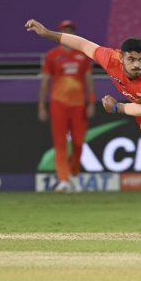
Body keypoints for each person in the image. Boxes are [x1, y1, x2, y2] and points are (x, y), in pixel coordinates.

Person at [25, 18, 141, 234]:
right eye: (131, 59)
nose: (136, 65)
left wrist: (117, 108)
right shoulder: (110, 59)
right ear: (121, 57)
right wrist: (48, 34)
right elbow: (84, 45)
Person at [38, 19, 95, 192]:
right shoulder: (52, 55)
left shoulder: (82, 55)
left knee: (78, 142)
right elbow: (45, 82)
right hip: (58, 104)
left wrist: (91, 102)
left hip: (78, 105)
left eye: (70, 30)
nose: (68, 32)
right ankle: (63, 179)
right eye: (65, 30)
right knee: (60, 142)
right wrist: (41, 105)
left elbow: (89, 80)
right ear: (60, 33)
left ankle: (74, 174)